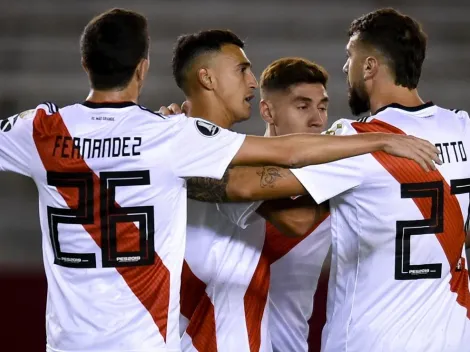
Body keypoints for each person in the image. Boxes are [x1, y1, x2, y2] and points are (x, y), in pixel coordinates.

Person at [0, 9, 440, 352]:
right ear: (142, 68)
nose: (252, 80)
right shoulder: (168, 137)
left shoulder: (41, 129)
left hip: (66, 341)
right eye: (243, 70)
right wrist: (381, 140)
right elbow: (288, 158)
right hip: (148, 341)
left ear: (85, 64)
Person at [184, 8, 470, 352]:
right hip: (454, 335)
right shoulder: (463, 127)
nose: (346, 68)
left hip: (372, 339)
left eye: (351, 57)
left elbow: (250, 188)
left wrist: (185, 152)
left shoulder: (355, 140)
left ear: (370, 67)